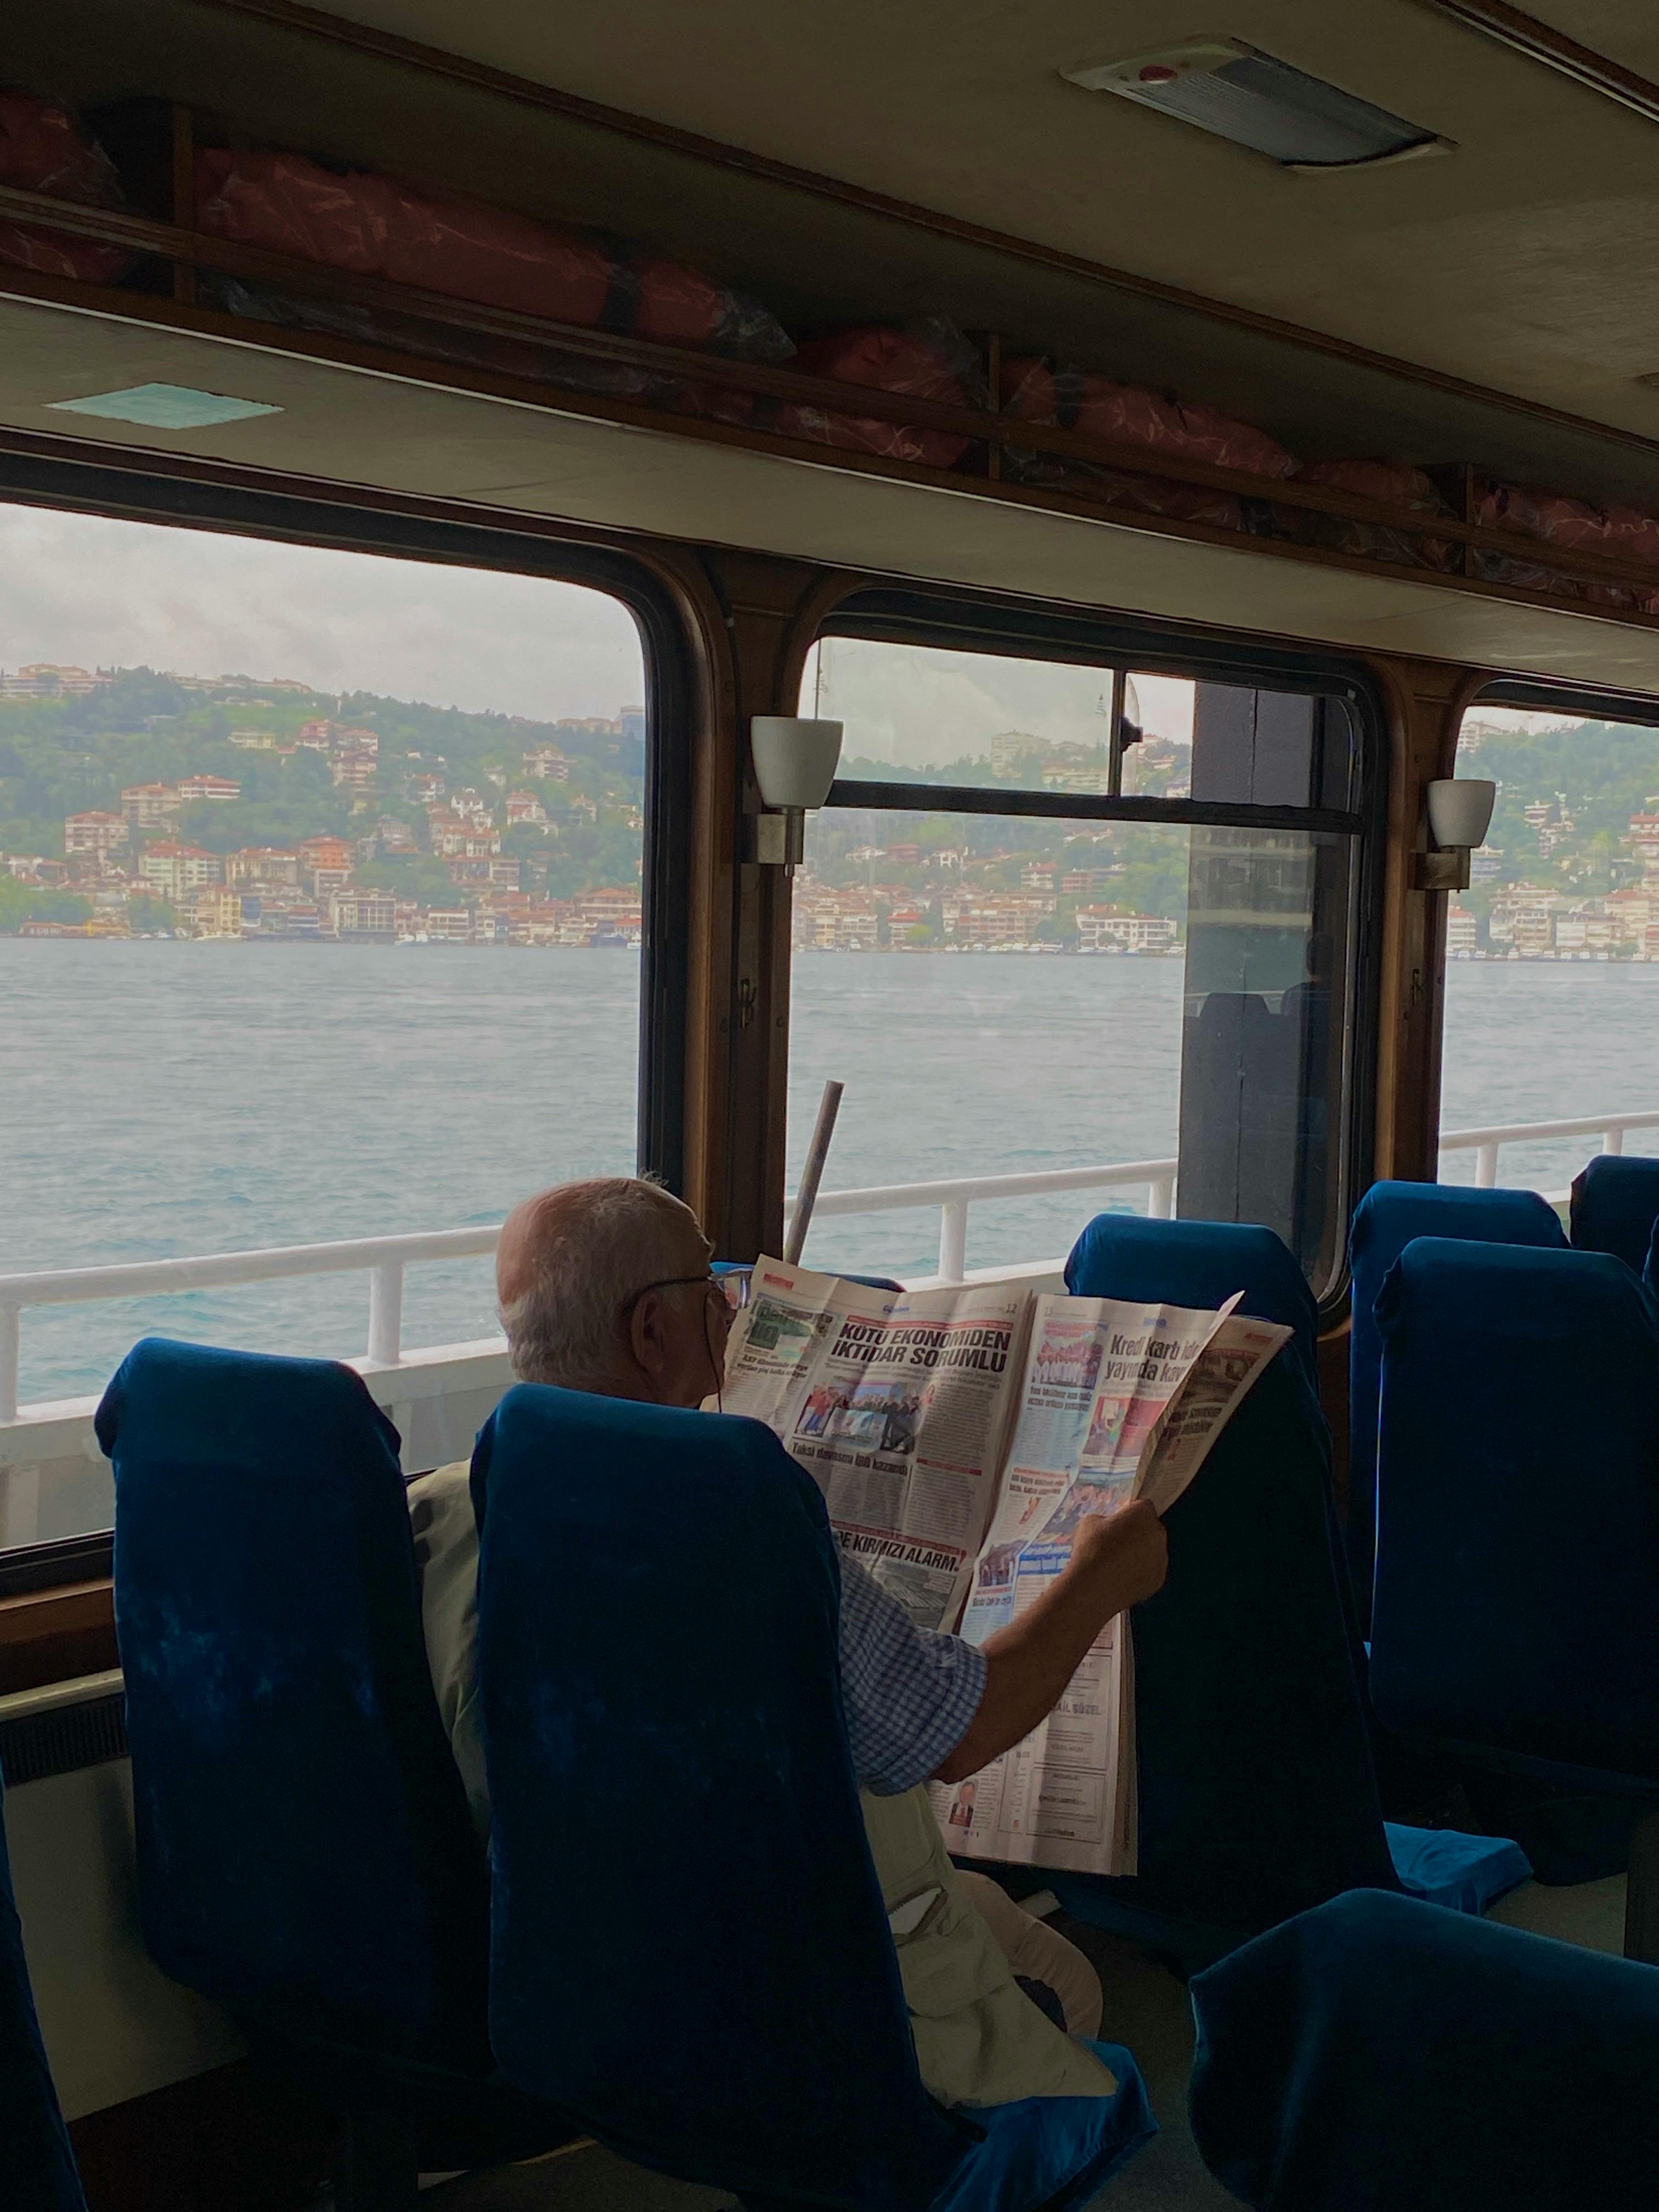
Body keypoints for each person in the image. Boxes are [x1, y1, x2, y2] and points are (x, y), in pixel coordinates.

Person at [409, 1175, 1168, 2059]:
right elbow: (961, 1734)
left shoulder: (444, 1511)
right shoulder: (742, 1536)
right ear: (652, 1332)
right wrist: (1098, 1578)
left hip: (560, 1951)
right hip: (767, 1968)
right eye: (713, 1295)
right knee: (1062, 1982)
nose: (731, 1319)